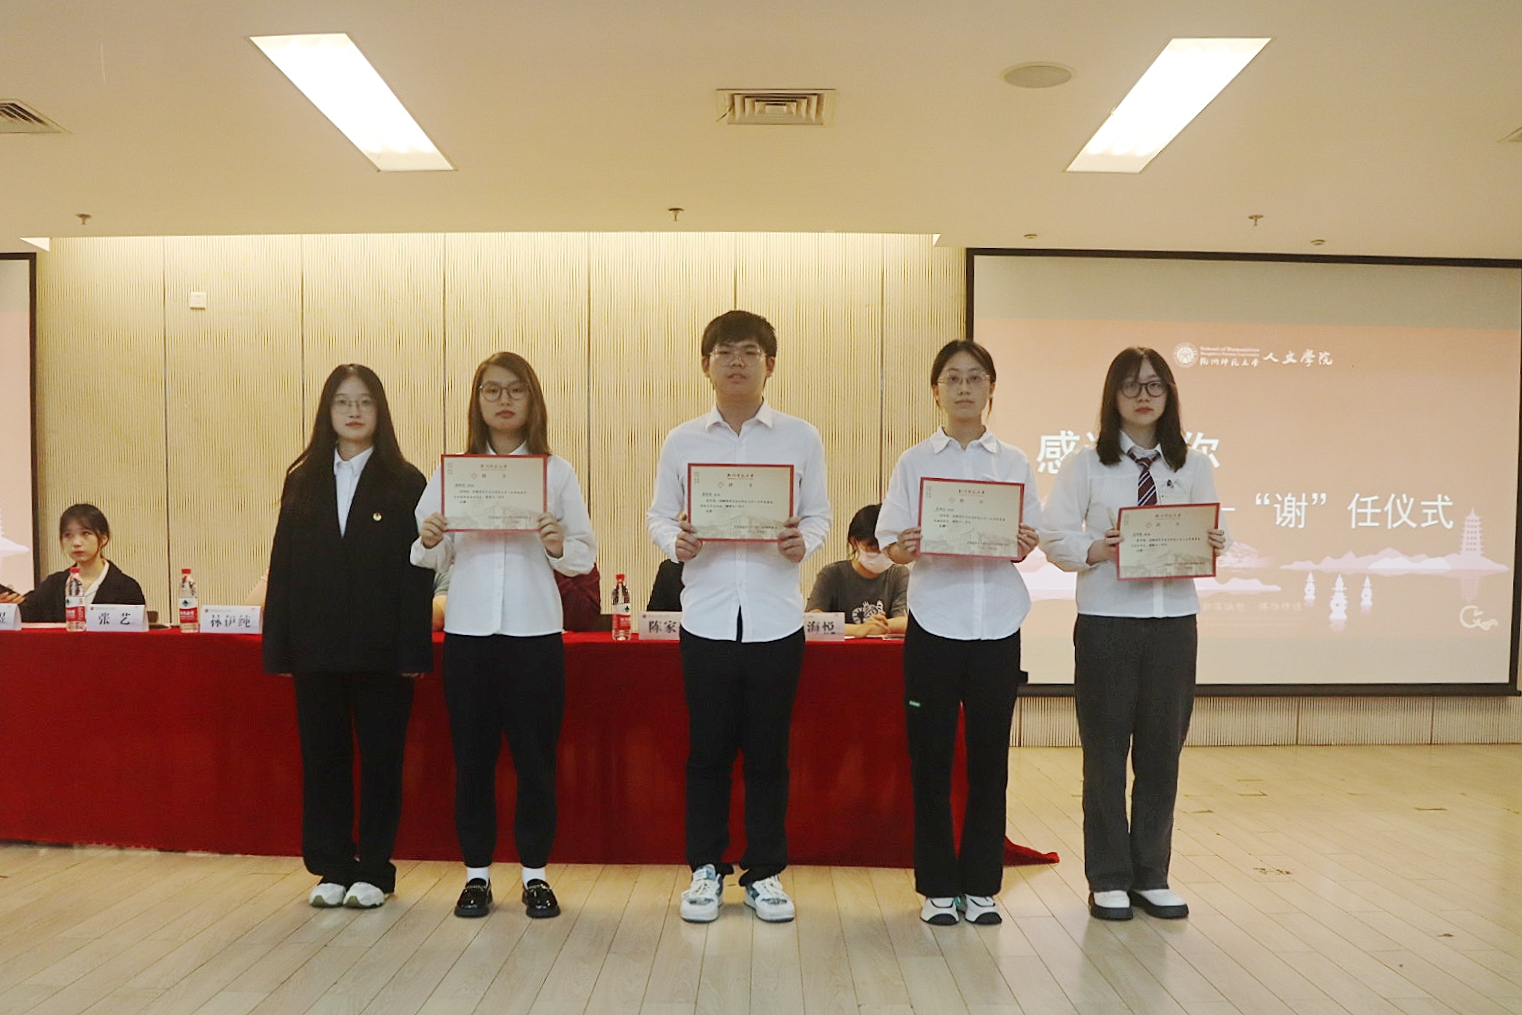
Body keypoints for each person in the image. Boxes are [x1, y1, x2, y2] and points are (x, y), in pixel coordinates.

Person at [646, 310, 831, 924]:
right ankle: (705, 868)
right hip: (707, 620)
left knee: (769, 755)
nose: (736, 362)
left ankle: (765, 873)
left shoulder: (800, 438)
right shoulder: (683, 441)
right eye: (724, 352)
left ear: (769, 365)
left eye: (749, 351)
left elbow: (819, 515)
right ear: (706, 365)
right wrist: (676, 542)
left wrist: (805, 541)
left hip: (777, 621)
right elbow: (658, 516)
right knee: (707, 754)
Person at [1040, 346, 1227, 922]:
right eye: (1131, 386)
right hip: (1108, 624)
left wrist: (1215, 541)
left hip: (1173, 623)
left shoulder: (1191, 464)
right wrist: (1097, 549)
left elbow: (1212, 527)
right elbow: (1053, 535)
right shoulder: (1086, 464)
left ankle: (1152, 874)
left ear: (1169, 395)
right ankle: (1108, 877)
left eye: (1154, 385)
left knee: (1162, 754)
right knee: (1105, 754)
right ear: (1112, 396)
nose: (1143, 396)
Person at [413, 351, 597, 921]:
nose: (503, 400)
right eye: (491, 390)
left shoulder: (556, 472)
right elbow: (425, 553)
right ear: (477, 402)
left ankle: (535, 876)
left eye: (515, 389)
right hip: (469, 633)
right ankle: (476, 876)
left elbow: (583, 554)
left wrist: (557, 541)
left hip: (534, 632)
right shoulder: (454, 472)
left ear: (532, 399)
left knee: (536, 761)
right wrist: (430, 536)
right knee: (472, 760)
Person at [877, 339, 1041, 927]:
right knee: (931, 759)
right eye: (953, 378)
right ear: (936, 391)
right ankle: (937, 886)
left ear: (991, 388)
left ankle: (981, 885)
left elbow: (1030, 536)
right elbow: (890, 543)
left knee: (990, 761)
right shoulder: (914, 461)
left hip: (998, 623)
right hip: (935, 622)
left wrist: (1025, 543)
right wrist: (903, 546)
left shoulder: (1013, 462)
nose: (964, 388)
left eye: (975, 377)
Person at [263, 364, 433, 910]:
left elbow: (416, 575)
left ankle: (375, 871)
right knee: (323, 761)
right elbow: (284, 567)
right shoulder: (303, 479)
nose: (353, 412)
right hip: (316, 649)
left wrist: (413, 649)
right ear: (327, 411)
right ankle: (331, 866)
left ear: (380, 411)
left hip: (383, 653)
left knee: (382, 762)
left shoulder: (405, 481)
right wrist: (280, 646)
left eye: (364, 401)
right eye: (342, 401)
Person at [1, 504, 145, 621]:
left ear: (103, 538)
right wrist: (8, 607)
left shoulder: (126, 587)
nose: (76, 543)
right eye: (68, 535)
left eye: (85, 534)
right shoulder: (54, 584)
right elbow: (29, 612)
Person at [806, 503, 909, 636]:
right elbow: (811, 622)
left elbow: (904, 622)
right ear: (854, 542)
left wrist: (875, 626)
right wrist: (857, 630)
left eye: (887, 546)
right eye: (873, 546)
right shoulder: (832, 574)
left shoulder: (899, 575)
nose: (881, 552)